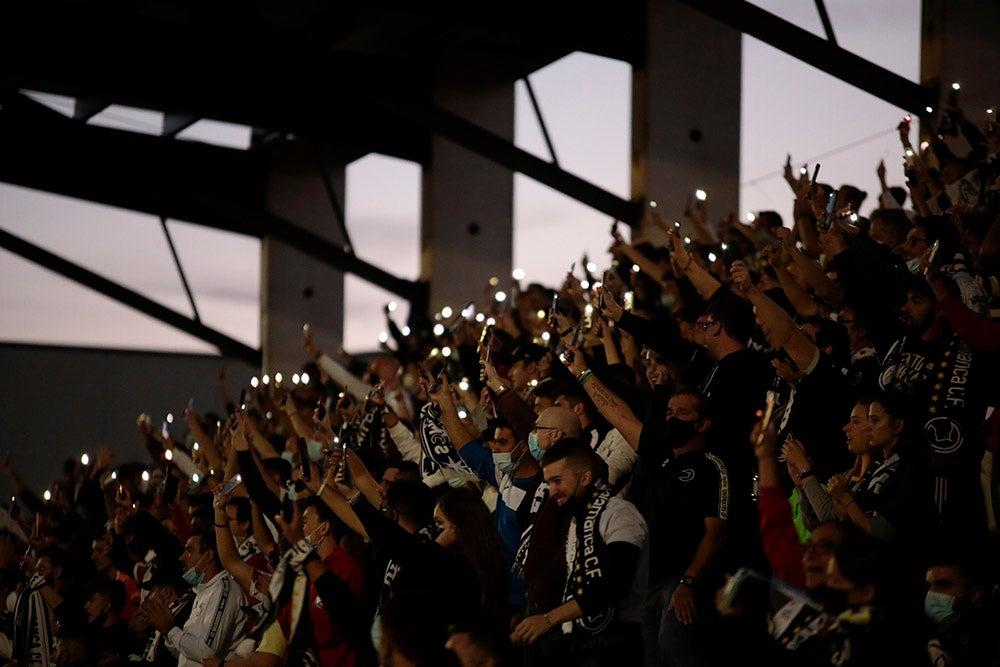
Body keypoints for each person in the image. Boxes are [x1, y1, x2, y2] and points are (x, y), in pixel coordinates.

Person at [511, 438, 648, 667]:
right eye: (548, 483)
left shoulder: (620, 514)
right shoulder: (577, 519)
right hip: (581, 642)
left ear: (584, 477)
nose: (552, 492)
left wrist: (549, 619)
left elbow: (615, 583)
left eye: (557, 481)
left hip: (616, 644)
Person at [139, 531, 248, 667]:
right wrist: (166, 631)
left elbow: (207, 653)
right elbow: (185, 655)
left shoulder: (224, 591)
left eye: (189, 551)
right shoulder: (200, 592)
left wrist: (170, 630)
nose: (181, 558)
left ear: (208, 556)